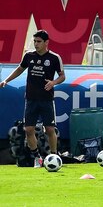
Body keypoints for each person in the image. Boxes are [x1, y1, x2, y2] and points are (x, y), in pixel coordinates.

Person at [0, 30, 65, 168]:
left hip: (47, 99)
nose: (36, 44)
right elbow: (19, 69)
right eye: (34, 41)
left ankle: (54, 155)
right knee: (28, 129)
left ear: (46, 43)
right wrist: (6, 80)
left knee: (49, 130)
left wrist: (53, 83)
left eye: (39, 41)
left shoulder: (54, 57)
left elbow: (62, 76)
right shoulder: (29, 56)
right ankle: (37, 158)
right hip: (31, 99)